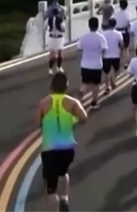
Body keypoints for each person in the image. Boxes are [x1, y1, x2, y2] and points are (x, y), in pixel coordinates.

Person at [36, 72, 88, 212]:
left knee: (51, 188)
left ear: (51, 86)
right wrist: (73, 121)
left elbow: (38, 123)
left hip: (49, 149)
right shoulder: (73, 102)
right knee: (63, 171)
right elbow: (84, 117)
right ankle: (64, 197)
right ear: (66, 86)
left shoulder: (43, 103)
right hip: (67, 149)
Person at [76, 17, 107, 109]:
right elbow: (104, 49)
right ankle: (94, 102)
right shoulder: (101, 37)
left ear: (89, 25)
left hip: (85, 64)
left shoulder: (83, 37)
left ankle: (79, 98)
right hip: (96, 65)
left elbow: (79, 49)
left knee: (84, 83)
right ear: (97, 25)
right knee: (96, 84)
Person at [101, 18, 124, 94]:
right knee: (117, 70)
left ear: (108, 24)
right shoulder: (118, 34)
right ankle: (112, 79)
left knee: (105, 72)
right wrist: (121, 52)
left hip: (106, 56)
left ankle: (107, 87)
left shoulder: (103, 34)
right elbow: (122, 44)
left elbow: (101, 45)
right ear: (115, 24)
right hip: (116, 55)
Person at [46, 7, 66, 75]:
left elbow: (45, 27)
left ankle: (50, 69)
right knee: (60, 54)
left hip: (52, 38)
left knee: (52, 55)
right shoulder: (61, 20)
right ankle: (59, 67)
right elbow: (63, 29)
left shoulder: (49, 19)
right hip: (59, 38)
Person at [113, 0, 132, 65]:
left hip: (117, 31)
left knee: (118, 48)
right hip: (125, 32)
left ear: (120, 5)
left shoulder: (115, 14)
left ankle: (118, 62)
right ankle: (125, 63)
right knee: (126, 48)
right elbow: (129, 23)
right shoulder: (128, 14)